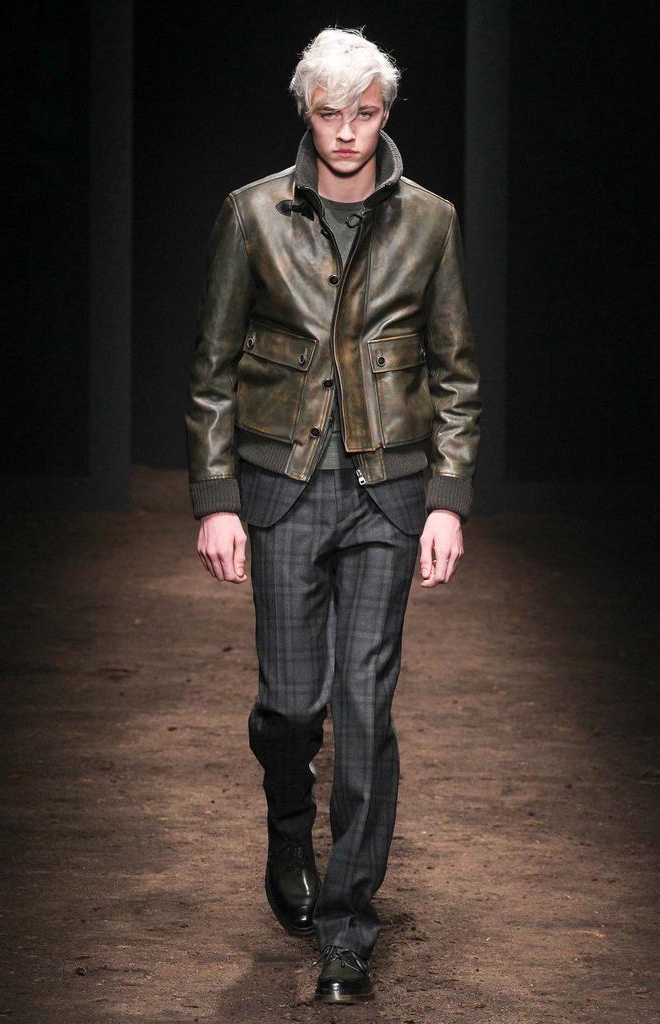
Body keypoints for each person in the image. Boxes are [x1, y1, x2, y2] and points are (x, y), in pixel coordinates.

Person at [185, 26, 482, 1006]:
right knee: (291, 703)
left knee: (362, 708)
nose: (347, 130)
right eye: (328, 112)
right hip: (280, 483)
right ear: (304, 113)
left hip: (387, 493)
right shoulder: (252, 214)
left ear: (383, 113)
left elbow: (454, 372)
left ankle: (346, 931)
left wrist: (446, 501)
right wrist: (216, 501)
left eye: (363, 111)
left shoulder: (429, 221)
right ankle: (288, 828)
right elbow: (212, 367)